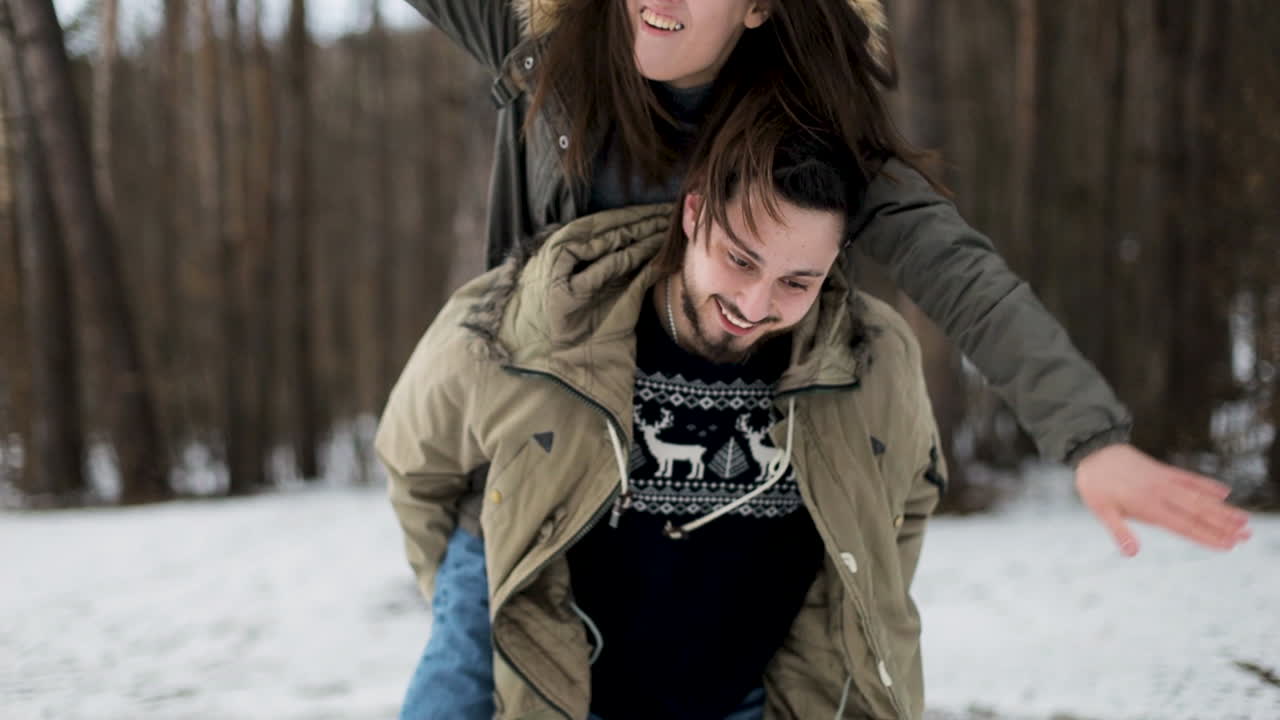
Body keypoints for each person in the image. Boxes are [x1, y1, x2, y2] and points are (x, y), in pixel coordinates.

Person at [388, 0, 1253, 716]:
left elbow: (963, 277)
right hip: (541, 480)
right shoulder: (549, 46)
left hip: (719, 511)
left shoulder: (815, 132)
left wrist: (1089, 437)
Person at [378, 122, 943, 719]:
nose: (754, 306)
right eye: (740, 259)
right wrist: (467, 602)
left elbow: (905, 502)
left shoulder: (874, 359)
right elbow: (418, 466)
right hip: (545, 683)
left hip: (744, 697)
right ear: (694, 214)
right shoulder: (531, 321)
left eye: (797, 281)